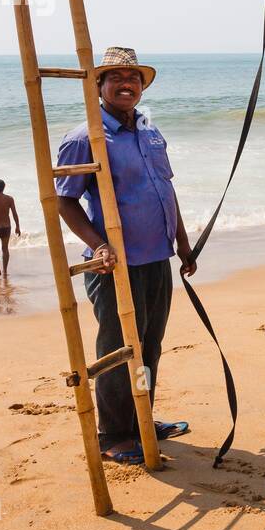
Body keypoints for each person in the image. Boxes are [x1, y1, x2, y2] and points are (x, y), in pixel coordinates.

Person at [55, 47, 195, 464]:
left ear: (142, 86)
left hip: (157, 258)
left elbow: (165, 191)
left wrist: (183, 243)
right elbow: (64, 201)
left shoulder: (150, 132)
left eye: (133, 77)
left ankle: (141, 421)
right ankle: (114, 435)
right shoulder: (86, 138)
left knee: (150, 345)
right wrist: (99, 245)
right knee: (119, 350)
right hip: (114, 266)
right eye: (114, 77)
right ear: (98, 86)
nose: (125, 83)